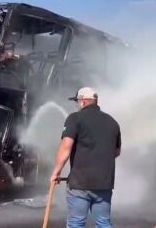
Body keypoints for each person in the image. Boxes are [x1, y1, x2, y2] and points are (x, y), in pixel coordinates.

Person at [50, 87, 121, 228]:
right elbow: (116, 152)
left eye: (77, 101)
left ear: (82, 102)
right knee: (103, 223)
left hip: (80, 184)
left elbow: (66, 147)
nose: (77, 105)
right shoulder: (112, 122)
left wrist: (56, 172)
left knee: (76, 223)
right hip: (104, 184)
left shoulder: (75, 118)